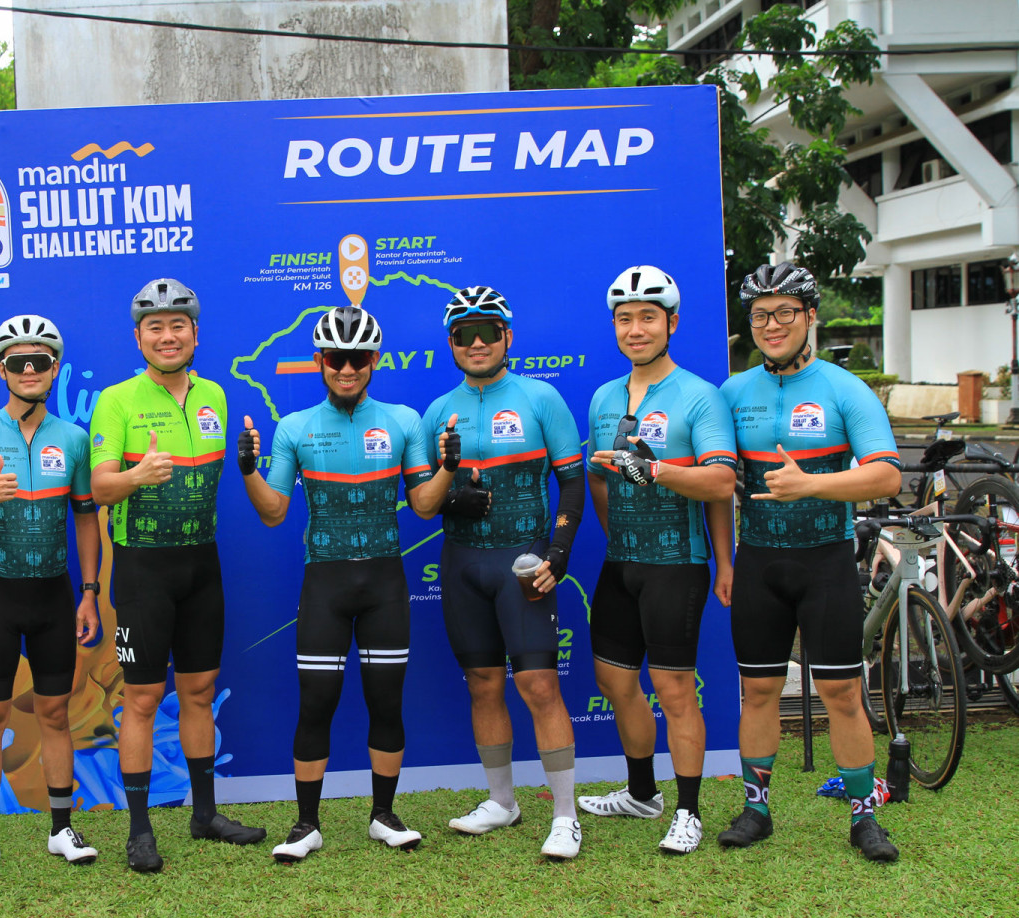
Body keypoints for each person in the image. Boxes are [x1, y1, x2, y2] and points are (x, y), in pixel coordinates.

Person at [241, 306, 446, 862]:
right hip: (325, 587)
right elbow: (274, 513)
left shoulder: (403, 420)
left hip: (385, 584)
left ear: (374, 360)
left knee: (386, 703)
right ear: (320, 361)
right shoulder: (295, 427)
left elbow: (425, 506)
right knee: (316, 705)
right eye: (337, 358)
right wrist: (249, 471)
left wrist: (447, 468)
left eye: (358, 359)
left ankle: (383, 815)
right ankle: (306, 824)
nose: (347, 369)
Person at [716, 262, 903, 863]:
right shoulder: (732, 392)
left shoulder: (845, 389)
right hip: (759, 562)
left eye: (785, 313)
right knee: (758, 690)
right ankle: (757, 809)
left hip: (825, 561)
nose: (772, 325)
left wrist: (812, 485)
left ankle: (864, 817)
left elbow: (887, 474)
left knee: (841, 691)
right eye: (760, 315)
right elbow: (717, 483)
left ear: (810, 316)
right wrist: (724, 562)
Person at [89, 278, 266, 873]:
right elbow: (98, 488)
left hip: (201, 565)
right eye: (155, 327)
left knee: (198, 691)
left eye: (177, 325)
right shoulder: (116, 400)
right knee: (142, 698)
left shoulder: (215, 395)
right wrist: (136, 477)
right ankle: (140, 830)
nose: (167, 336)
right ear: (138, 338)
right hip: (143, 567)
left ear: (195, 333)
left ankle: (204, 814)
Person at [418, 285, 589, 860]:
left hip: (523, 560)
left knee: (538, 685)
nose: (477, 343)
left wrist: (558, 552)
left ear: (507, 336)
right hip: (462, 562)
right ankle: (502, 801)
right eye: (464, 334)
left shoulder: (541, 398)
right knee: (482, 683)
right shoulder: (437, 411)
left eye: (488, 331)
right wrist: (452, 499)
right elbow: (423, 497)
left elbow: (571, 482)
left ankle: (565, 815)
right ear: (451, 344)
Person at [579, 266, 737, 855]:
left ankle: (689, 810)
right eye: (625, 319)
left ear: (671, 323)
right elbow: (598, 477)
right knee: (614, 681)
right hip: (622, 562)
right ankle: (642, 793)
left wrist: (724, 562)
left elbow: (721, 482)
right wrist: (617, 533)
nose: (636, 329)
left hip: (677, 563)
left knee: (674, 689)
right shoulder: (603, 397)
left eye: (648, 317)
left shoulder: (699, 395)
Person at [0, 314, 102, 878]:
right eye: (18, 362)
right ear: (1, 369)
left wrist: (89, 591)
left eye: (40, 361)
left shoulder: (73, 439)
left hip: (53, 595)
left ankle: (61, 829)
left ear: (55, 369)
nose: (29, 370)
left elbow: (86, 517)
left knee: (55, 713)